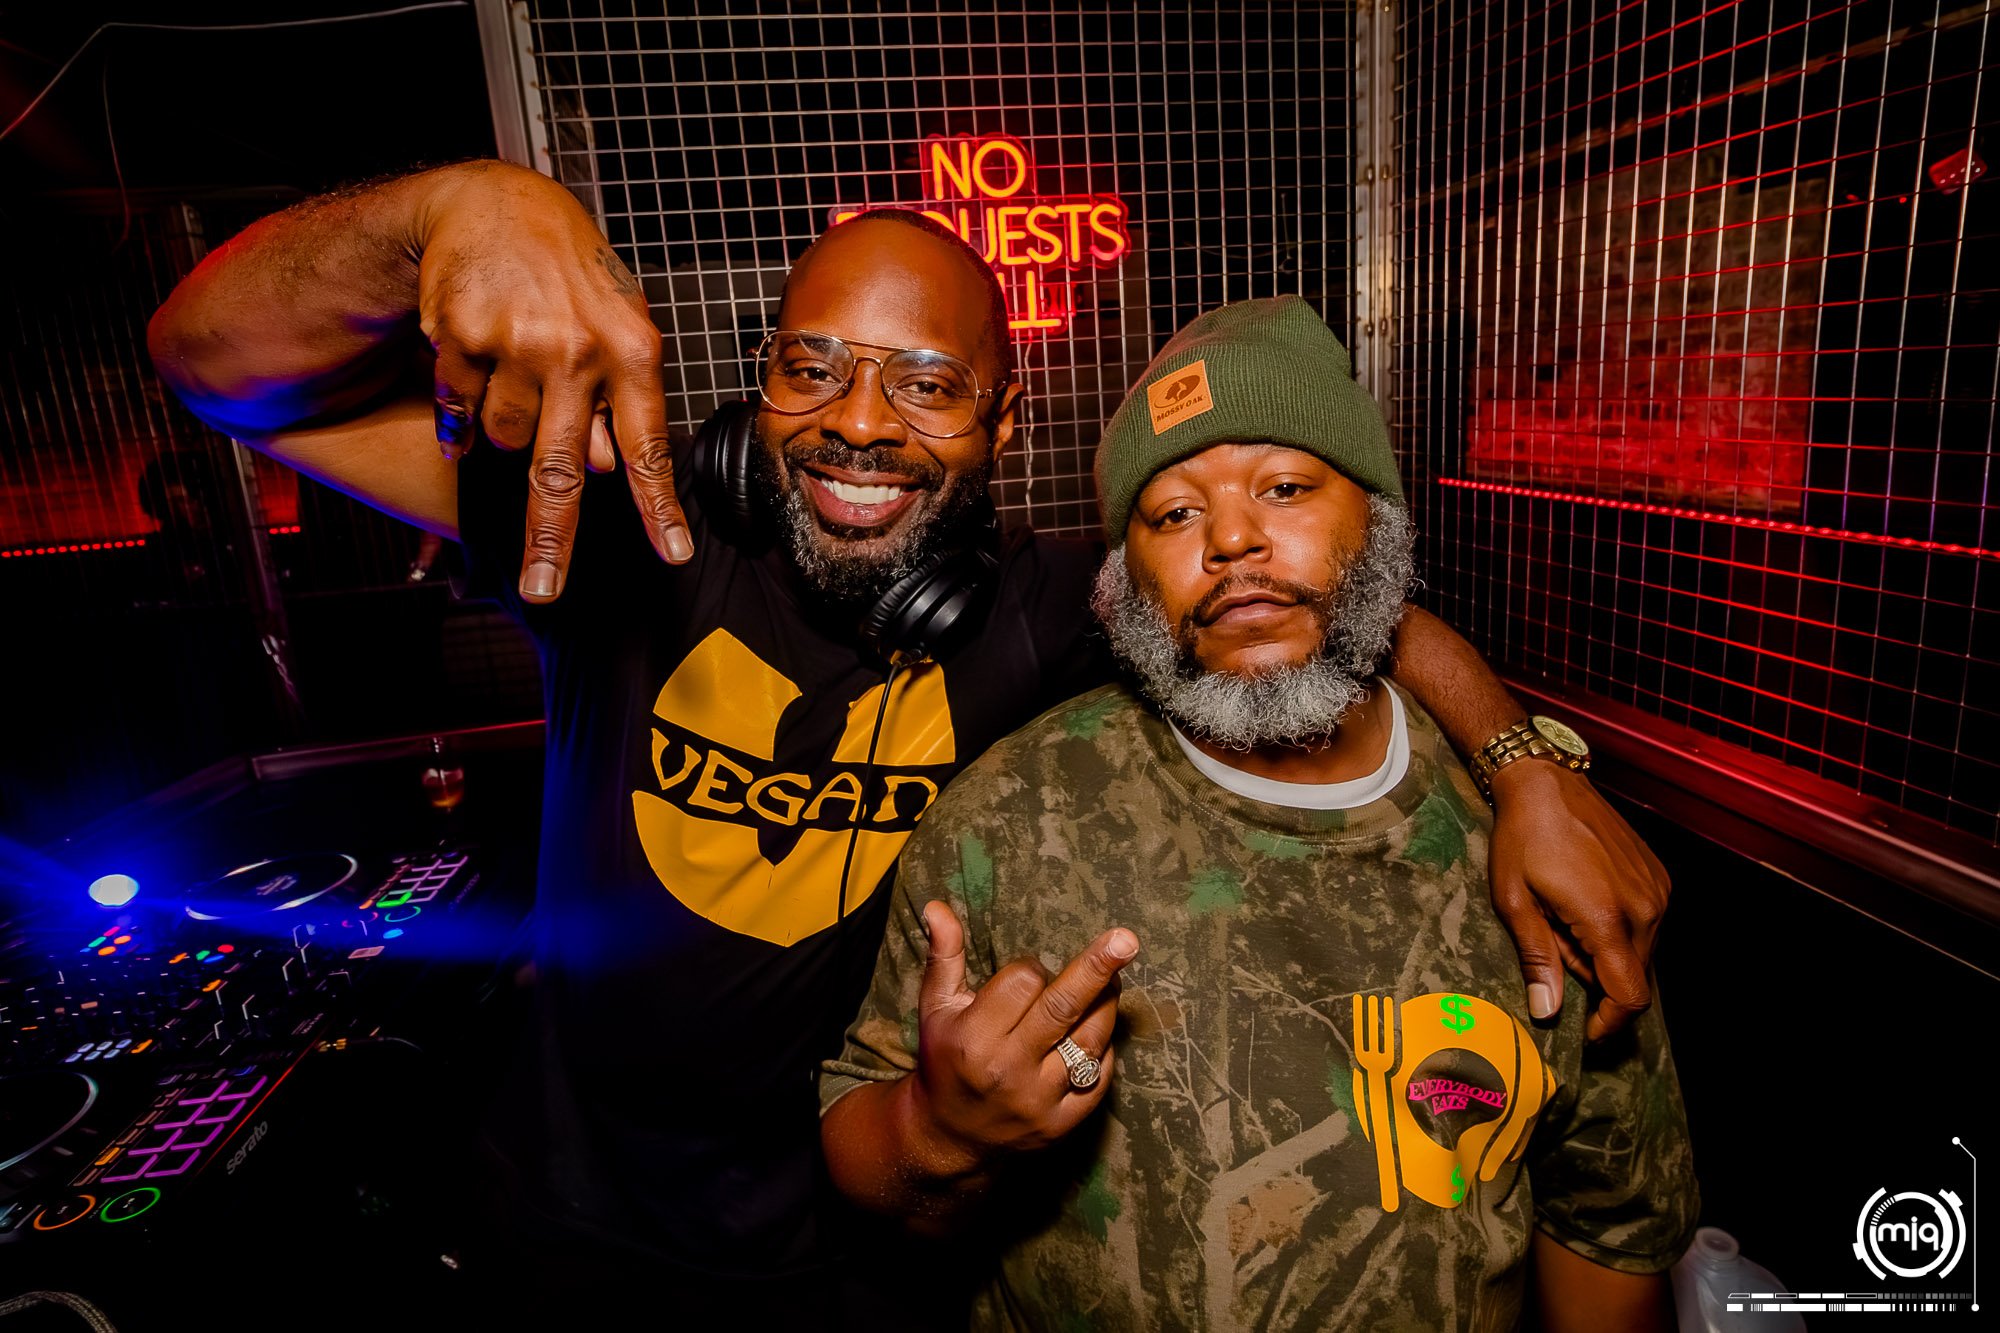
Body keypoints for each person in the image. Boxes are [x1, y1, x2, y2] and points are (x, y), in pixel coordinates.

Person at [147, 161, 1671, 1315]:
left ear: (1003, 421)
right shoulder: (629, 533)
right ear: (758, 387)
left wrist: (1526, 764)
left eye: (929, 384)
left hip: (870, 1255)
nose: (861, 422)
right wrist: (453, 208)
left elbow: (1315, 601)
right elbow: (206, 358)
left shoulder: (1041, 607)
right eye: (812, 366)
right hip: (570, 1234)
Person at [820, 298, 1698, 1332]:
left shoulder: (1532, 843)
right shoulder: (1010, 818)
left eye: (1284, 488)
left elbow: (1607, 1223)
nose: (1232, 538)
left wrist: (1521, 764)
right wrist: (942, 1133)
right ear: (1124, 580)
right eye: (1173, 514)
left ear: (1376, 521)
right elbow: (870, 1149)